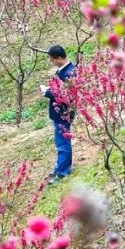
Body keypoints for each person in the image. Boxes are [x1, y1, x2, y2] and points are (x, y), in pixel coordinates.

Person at [42, 45, 76, 181]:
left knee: (63, 144)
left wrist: (47, 93)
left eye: (53, 59)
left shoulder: (69, 73)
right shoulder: (62, 71)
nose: (52, 62)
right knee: (60, 142)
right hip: (59, 113)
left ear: (60, 58)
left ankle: (63, 172)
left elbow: (66, 97)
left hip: (63, 113)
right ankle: (59, 166)